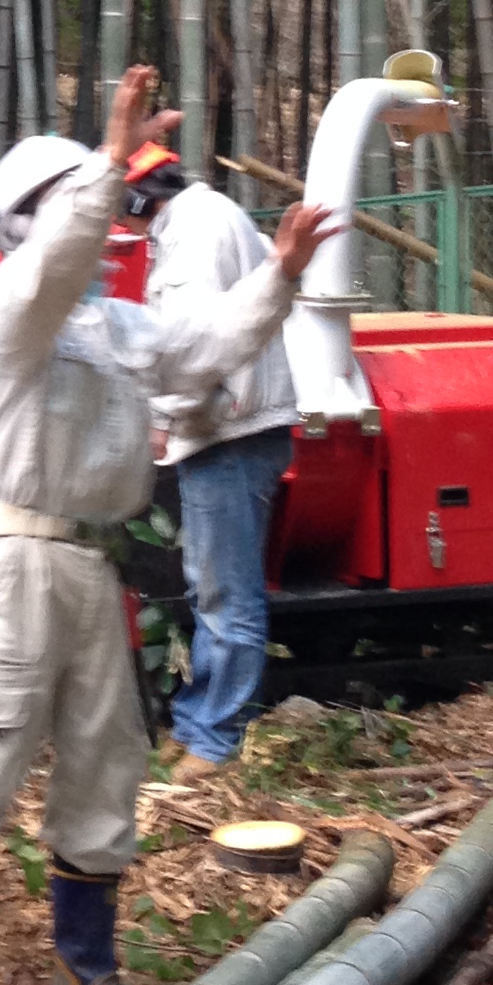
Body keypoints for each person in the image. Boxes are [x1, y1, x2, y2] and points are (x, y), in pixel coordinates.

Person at [0, 70, 330, 985]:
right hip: (13, 560)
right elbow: (56, 262)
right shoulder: (11, 308)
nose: (108, 221)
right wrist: (107, 163)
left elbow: (199, 347)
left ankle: (86, 973)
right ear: (30, 221)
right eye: (83, 202)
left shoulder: (109, 326)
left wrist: (277, 277)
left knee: (106, 772)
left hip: (85, 562)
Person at [126, 145, 298, 778]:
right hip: (229, 428)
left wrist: (162, 416)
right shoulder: (202, 220)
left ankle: (215, 740)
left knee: (225, 593)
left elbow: (191, 346)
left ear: (137, 196)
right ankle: (200, 720)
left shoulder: (194, 235)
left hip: (228, 432)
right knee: (211, 585)